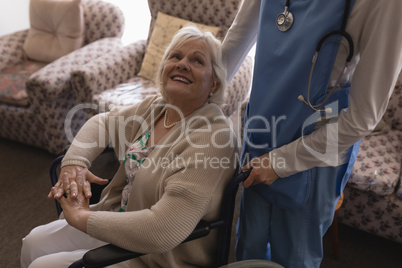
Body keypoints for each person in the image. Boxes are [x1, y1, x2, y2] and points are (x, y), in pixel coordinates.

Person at [21, 25, 238, 268]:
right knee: (33, 242)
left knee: (43, 265)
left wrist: (83, 218)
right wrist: (75, 163)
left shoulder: (213, 138)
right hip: (120, 219)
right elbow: (102, 123)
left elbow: (163, 230)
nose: (183, 64)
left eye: (197, 61)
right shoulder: (156, 108)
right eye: (175, 56)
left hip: (159, 256)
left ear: (214, 85)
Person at [222, 0, 402, 267]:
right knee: (249, 246)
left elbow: (362, 118)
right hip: (263, 128)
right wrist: (195, 99)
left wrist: (280, 163)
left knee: (294, 257)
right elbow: (236, 40)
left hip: (316, 151)